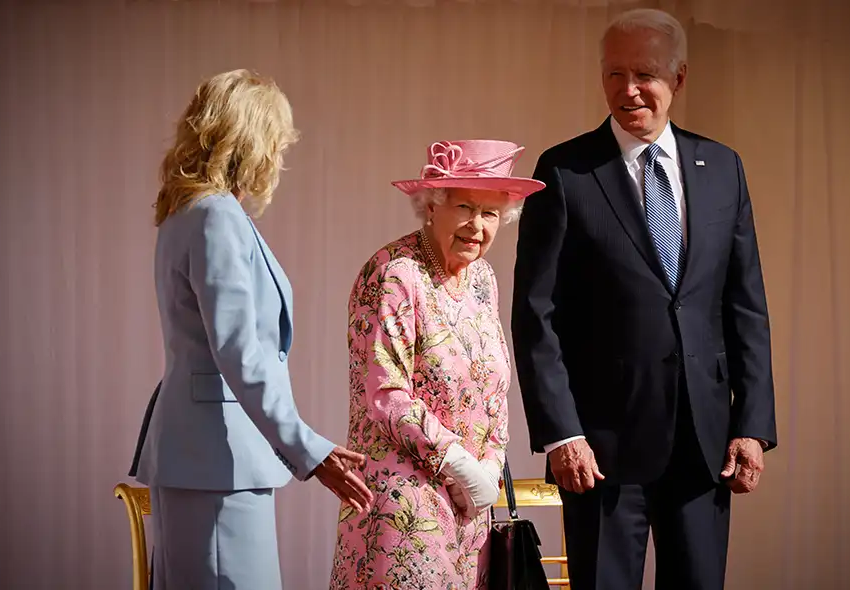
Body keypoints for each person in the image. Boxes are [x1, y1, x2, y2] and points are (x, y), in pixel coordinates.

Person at [511, 9, 777, 590]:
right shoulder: (565, 172)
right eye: (614, 74)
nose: (628, 89)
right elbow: (536, 316)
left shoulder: (723, 168)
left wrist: (752, 424)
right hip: (600, 450)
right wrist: (561, 432)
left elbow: (745, 306)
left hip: (704, 443)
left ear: (678, 78)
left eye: (645, 74)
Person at [129, 69, 373, 589]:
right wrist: (310, 449)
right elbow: (240, 354)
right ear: (252, 141)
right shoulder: (216, 216)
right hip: (218, 460)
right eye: (277, 143)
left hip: (202, 458)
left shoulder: (183, 213)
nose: (280, 158)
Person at [329, 140, 545, 589]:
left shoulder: (482, 279)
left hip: (471, 510)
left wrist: (490, 465)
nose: (476, 226)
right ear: (431, 206)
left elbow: (494, 383)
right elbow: (385, 394)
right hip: (404, 502)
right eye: (464, 206)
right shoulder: (393, 273)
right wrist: (461, 466)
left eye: (490, 214)